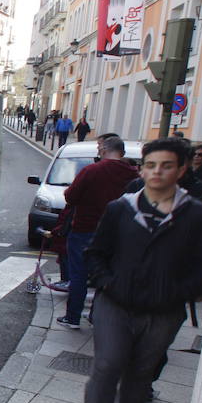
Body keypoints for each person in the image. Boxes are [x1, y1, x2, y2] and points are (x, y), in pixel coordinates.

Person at [65, 137, 202, 403]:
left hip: (163, 312)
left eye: (166, 166)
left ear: (181, 169)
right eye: (150, 165)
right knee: (106, 366)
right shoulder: (121, 208)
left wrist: (177, 292)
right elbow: (96, 253)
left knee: (140, 372)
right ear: (142, 168)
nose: (157, 172)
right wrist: (107, 283)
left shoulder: (198, 214)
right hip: (115, 304)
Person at [55, 135, 138, 329]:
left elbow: (70, 196)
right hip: (117, 233)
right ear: (122, 152)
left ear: (102, 150)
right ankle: (98, 315)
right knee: (106, 274)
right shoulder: (133, 174)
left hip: (86, 228)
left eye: (99, 147)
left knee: (79, 274)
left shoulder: (92, 170)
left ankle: (73, 316)